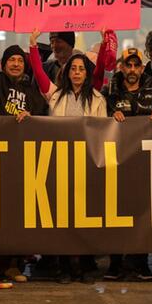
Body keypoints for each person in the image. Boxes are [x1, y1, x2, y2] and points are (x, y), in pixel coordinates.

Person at [0, 0, 46, 282]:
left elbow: (43, 120)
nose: (16, 64)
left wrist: (29, 118)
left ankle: (15, 264)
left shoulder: (32, 92)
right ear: (3, 64)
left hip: (18, 162)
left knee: (15, 213)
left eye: (20, 60)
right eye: (11, 60)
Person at [29, 36, 108, 284]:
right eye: (72, 68)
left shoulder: (97, 99)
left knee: (85, 217)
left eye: (81, 69)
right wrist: (32, 45)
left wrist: (105, 43)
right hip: (60, 163)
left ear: (87, 73)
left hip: (86, 164)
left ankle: (84, 265)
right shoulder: (55, 96)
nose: (76, 72)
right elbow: (39, 73)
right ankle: (64, 266)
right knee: (61, 218)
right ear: (66, 72)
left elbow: (103, 132)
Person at [103, 47, 152, 281]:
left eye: (136, 65)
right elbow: (98, 119)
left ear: (141, 68)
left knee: (143, 214)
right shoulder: (110, 92)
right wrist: (111, 114)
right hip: (115, 163)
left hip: (144, 163)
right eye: (127, 65)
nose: (131, 70)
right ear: (121, 67)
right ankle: (115, 264)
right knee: (115, 213)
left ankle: (141, 264)